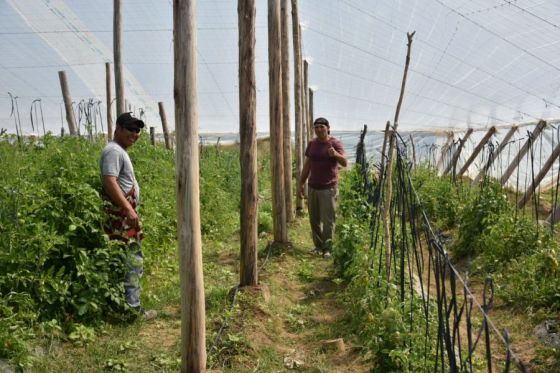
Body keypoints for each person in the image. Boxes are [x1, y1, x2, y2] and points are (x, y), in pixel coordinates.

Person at [100, 112, 156, 321]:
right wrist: (128, 209)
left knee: (123, 260)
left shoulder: (118, 150)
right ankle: (132, 310)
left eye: (137, 130)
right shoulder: (113, 151)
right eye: (130, 129)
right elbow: (109, 181)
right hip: (121, 216)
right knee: (133, 261)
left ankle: (121, 306)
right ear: (118, 128)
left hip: (123, 215)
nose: (135, 133)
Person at [299, 117, 347, 258]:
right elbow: (307, 165)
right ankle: (318, 246)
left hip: (328, 188)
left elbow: (344, 162)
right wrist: (301, 183)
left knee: (328, 220)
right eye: (317, 127)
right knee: (314, 219)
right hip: (313, 186)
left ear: (328, 128)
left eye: (322, 127)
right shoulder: (312, 144)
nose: (319, 129)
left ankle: (327, 248)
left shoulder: (335, 143)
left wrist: (336, 154)